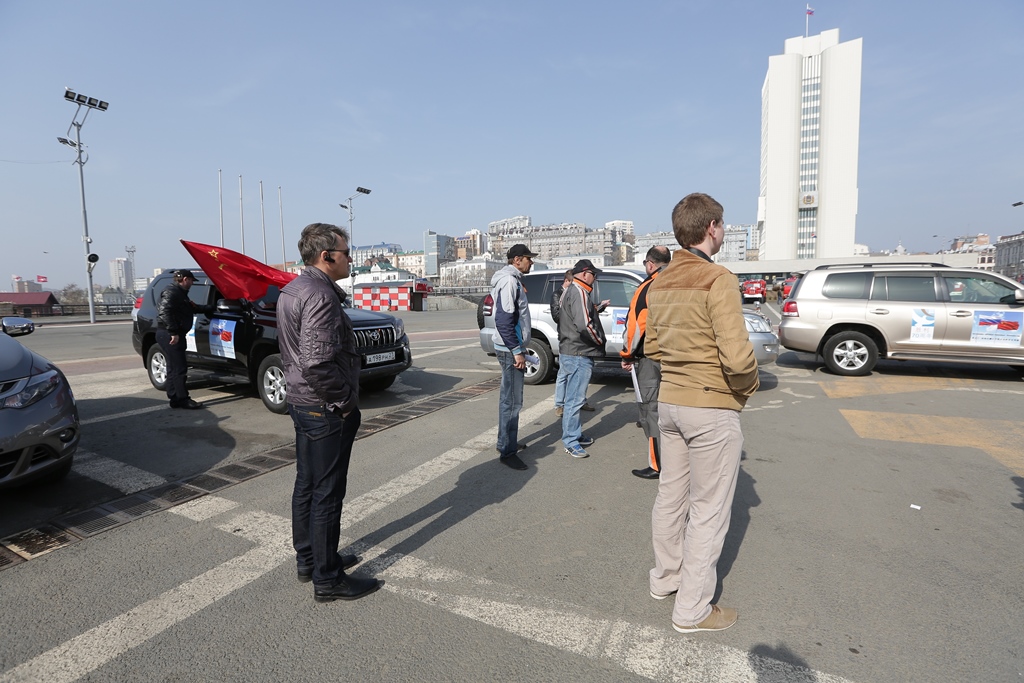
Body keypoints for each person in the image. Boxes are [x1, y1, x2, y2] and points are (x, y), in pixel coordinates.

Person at [645, 193, 759, 633]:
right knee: (708, 510)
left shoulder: (662, 281)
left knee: (671, 494)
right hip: (709, 405)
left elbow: (652, 347)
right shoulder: (718, 279)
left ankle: (665, 578)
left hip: (671, 402)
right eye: (723, 225)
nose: (724, 231)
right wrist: (745, 389)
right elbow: (736, 355)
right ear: (711, 227)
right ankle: (692, 609)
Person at [278, 222, 383, 603]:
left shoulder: (293, 288)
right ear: (327, 256)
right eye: (346, 251)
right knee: (327, 493)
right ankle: (328, 578)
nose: (350, 258)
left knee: (307, 484)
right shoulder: (320, 295)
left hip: (302, 402)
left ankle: (311, 558)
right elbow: (317, 362)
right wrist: (343, 404)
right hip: (323, 407)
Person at [619, 245, 672, 480]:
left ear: (650, 264)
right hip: (681, 359)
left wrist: (627, 354)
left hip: (653, 358)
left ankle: (658, 466)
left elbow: (635, 325)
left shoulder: (648, 287)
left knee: (651, 409)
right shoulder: (681, 281)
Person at [490, 243, 537, 471]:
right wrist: (517, 351)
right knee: (512, 401)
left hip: (510, 347)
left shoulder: (512, 279)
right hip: (510, 350)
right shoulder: (509, 281)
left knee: (509, 400)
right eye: (529, 258)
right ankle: (507, 451)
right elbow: (504, 320)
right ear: (517, 259)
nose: (531, 262)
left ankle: (506, 442)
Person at [557, 259, 607, 458]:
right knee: (574, 400)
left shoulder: (574, 290)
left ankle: (574, 434)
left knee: (574, 398)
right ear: (585, 273)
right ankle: (570, 440)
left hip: (573, 351)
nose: (595, 279)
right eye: (594, 275)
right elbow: (584, 324)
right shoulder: (578, 291)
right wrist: (599, 341)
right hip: (578, 352)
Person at [156, 269, 211, 409]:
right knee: (179, 368)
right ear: (185, 279)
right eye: (192, 280)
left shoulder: (180, 294)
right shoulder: (172, 292)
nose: (192, 284)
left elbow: (192, 308)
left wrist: (211, 308)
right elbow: (164, 312)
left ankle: (174, 399)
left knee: (173, 367)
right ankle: (183, 399)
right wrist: (173, 332)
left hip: (170, 333)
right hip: (170, 334)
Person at [552, 269, 596, 417]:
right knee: (564, 374)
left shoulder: (578, 293)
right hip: (567, 339)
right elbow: (558, 316)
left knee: (577, 378)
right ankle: (559, 404)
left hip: (576, 341)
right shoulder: (559, 294)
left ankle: (581, 401)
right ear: (567, 281)